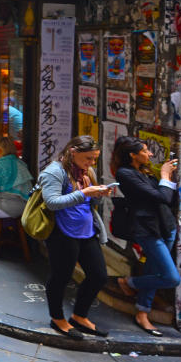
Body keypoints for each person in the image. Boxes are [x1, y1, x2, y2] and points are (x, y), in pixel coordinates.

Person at [40, 135, 113, 340]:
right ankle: (57, 318)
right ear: (73, 152)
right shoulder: (54, 172)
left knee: (98, 275)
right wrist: (85, 193)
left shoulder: (86, 171)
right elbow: (52, 202)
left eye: (94, 159)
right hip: (61, 232)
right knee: (61, 276)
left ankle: (79, 316)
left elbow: (87, 201)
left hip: (86, 230)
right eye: (88, 158)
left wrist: (97, 193)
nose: (91, 163)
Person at [112, 137, 180, 337]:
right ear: (132, 155)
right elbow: (162, 197)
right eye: (145, 150)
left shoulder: (145, 170)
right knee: (170, 278)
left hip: (166, 226)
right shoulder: (125, 174)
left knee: (153, 270)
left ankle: (142, 313)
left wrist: (164, 177)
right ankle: (129, 283)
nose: (150, 154)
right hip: (147, 230)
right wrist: (166, 175)